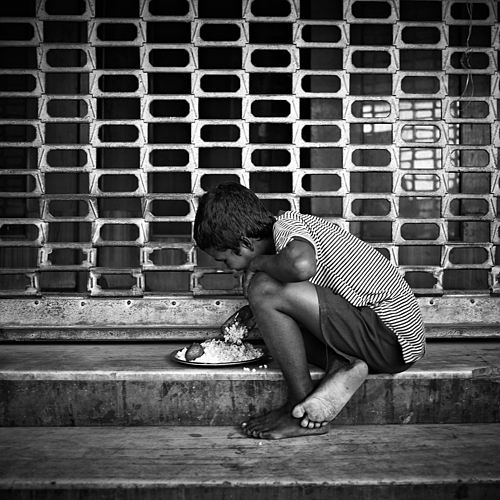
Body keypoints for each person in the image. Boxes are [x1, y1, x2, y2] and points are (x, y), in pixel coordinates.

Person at [194, 182, 426, 440]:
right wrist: (256, 312)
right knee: (271, 319)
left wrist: (257, 264)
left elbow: (302, 267)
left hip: (390, 338)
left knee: (262, 287)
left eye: (226, 260)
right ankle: (341, 366)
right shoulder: (285, 246)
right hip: (379, 341)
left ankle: (299, 410)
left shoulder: (286, 227)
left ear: (245, 242)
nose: (230, 269)